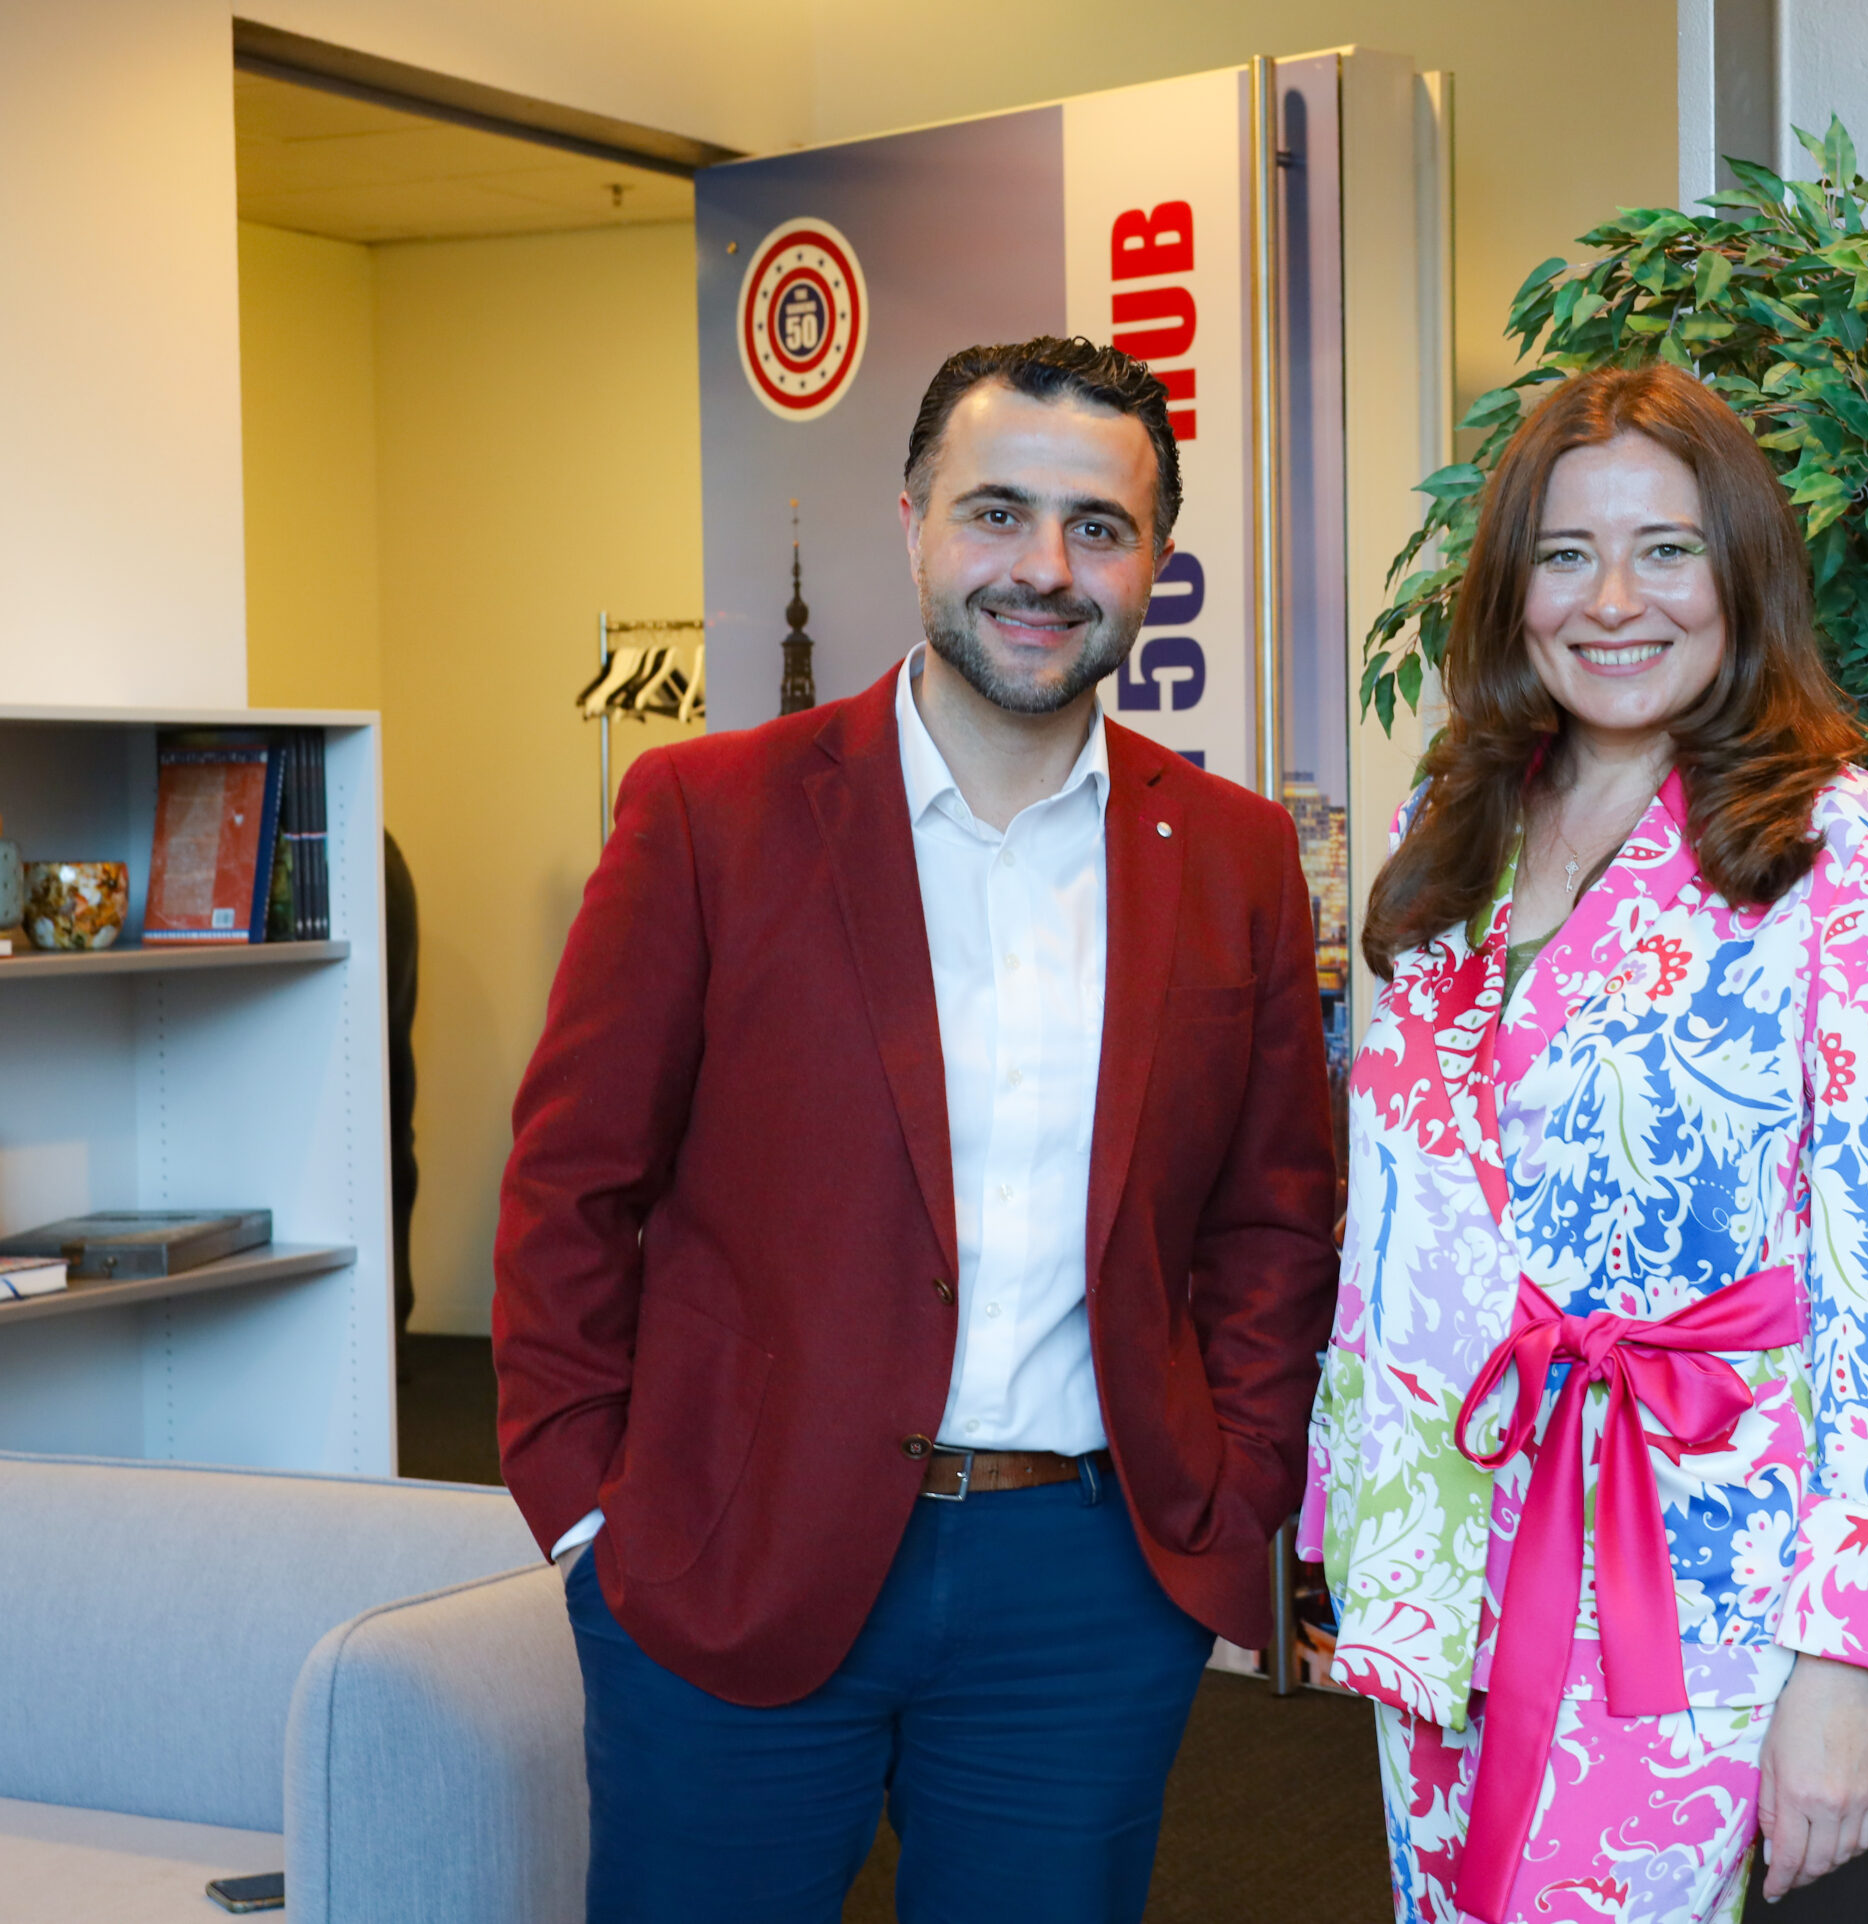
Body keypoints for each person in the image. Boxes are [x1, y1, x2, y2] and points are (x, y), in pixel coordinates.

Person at [494, 336, 1338, 1924]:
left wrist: (1232, 1502)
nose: (1045, 568)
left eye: (1098, 526)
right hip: (730, 1547)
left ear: (1156, 561)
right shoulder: (710, 816)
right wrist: (590, 1511)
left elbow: (1273, 1220)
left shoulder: (1232, 855)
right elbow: (572, 1182)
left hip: (1087, 1587)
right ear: (912, 526)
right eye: (996, 512)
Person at [1303, 362, 1868, 1923]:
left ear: (1742, 572)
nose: (1614, 601)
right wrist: (1349, 1518)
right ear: (1510, 586)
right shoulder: (1447, 823)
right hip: (1441, 1532)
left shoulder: (1844, 850)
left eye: (1667, 549)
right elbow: (1394, 1214)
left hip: (1694, 1566)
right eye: (1566, 554)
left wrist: (1844, 1661)